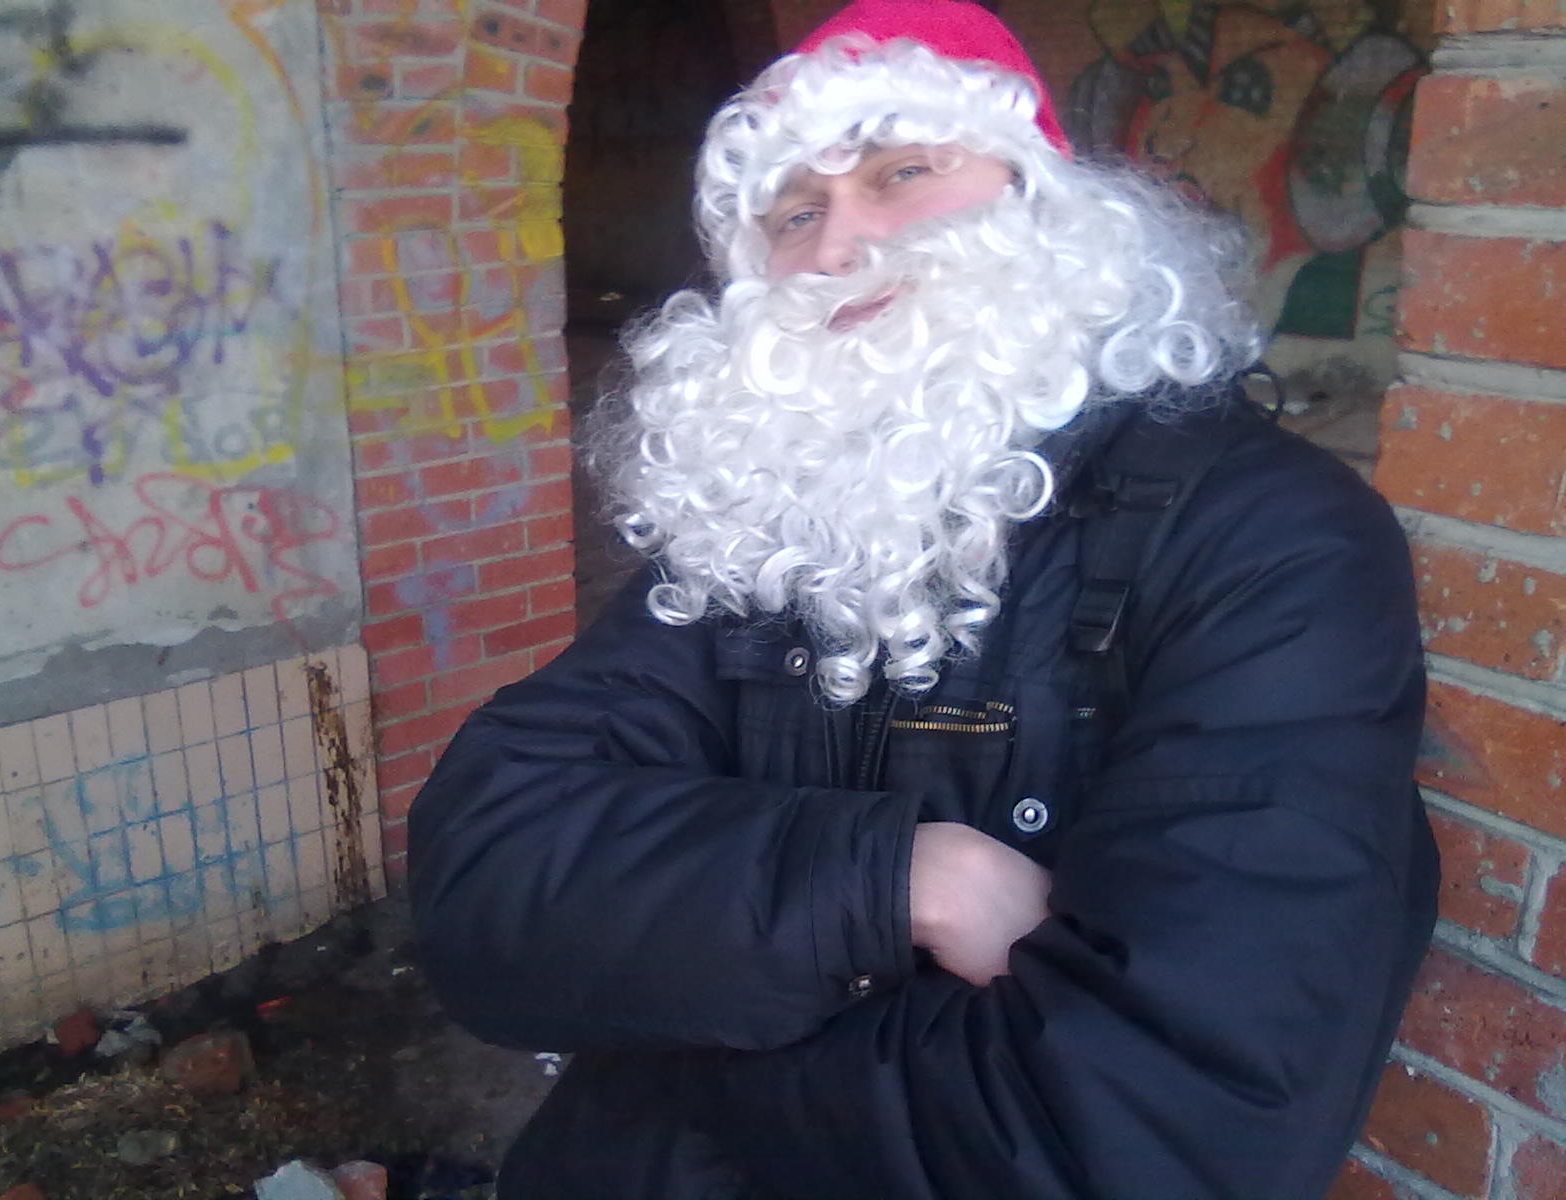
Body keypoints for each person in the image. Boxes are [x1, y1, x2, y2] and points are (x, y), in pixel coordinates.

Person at [408, 2, 1439, 1196]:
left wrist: (662, 1046)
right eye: (795, 213)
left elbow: (1154, 1135)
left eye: (902, 172)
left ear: (1046, 205)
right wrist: (895, 878)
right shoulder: (769, 533)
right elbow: (484, 879)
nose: (840, 244)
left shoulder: (1268, 540)